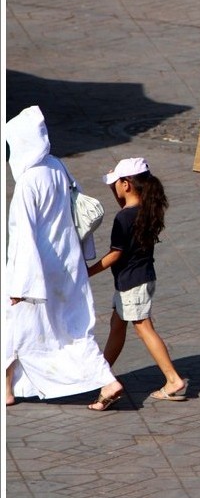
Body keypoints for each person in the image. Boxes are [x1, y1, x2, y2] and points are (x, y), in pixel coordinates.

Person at [4, 105, 124, 411]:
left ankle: (7, 389)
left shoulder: (28, 183)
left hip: (38, 268)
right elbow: (78, 208)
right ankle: (104, 379)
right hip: (67, 262)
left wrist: (20, 285)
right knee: (71, 328)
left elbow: (22, 238)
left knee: (15, 323)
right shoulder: (58, 166)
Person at [87, 157, 189, 401]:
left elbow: (115, 254)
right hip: (140, 278)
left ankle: (173, 379)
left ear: (127, 184)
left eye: (117, 184)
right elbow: (125, 205)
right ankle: (100, 374)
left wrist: (87, 272)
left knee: (143, 328)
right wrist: (116, 184)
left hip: (132, 282)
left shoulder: (123, 218)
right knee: (117, 327)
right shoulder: (148, 209)